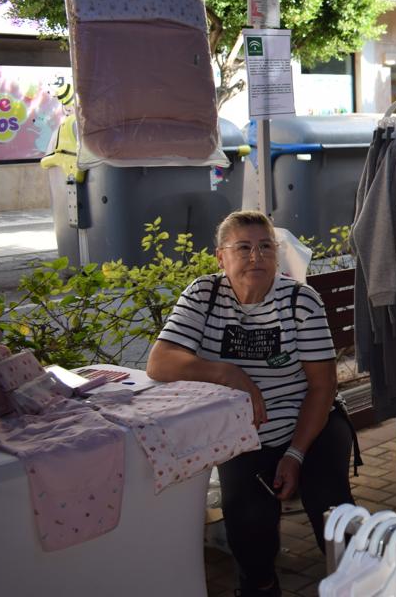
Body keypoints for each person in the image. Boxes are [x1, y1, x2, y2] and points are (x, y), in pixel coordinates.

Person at [147, 210, 354, 597]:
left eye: (265, 247)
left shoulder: (299, 302)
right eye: (243, 247)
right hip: (241, 436)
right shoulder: (203, 295)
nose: (256, 257)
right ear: (220, 257)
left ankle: (355, 583)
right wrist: (229, 374)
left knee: (333, 512)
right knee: (248, 525)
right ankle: (260, 586)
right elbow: (160, 362)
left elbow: (323, 387)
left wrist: (294, 454)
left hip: (311, 425)